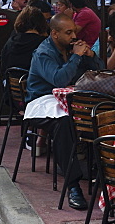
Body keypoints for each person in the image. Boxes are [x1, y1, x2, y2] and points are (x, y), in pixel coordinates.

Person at [24, 13, 104, 210]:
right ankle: (73, 184)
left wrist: (90, 56)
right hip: (42, 102)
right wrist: (76, 57)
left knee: (101, 113)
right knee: (64, 123)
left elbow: (102, 70)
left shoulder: (71, 48)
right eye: (68, 33)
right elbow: (59, 79)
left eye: (73, 32)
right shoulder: (44, 53)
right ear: (55, 34)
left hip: (70, 99)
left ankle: (101, 171)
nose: (73, 36)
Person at [0, 6, 49, 73]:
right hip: (34, 81)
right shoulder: (44, 43)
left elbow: (3, 64)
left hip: (10, 80)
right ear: (42, 22)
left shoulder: (11, 40)